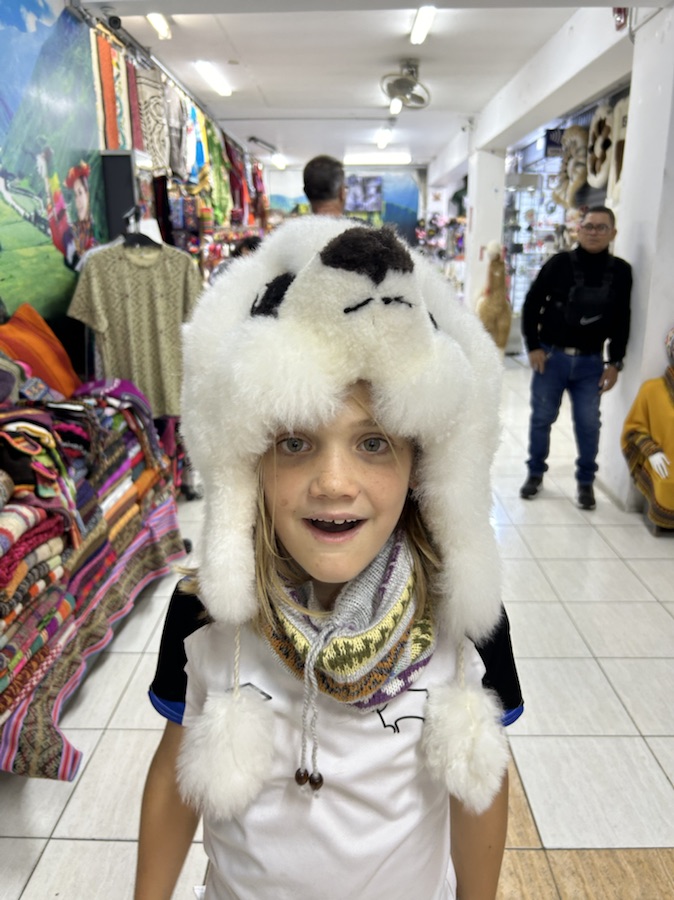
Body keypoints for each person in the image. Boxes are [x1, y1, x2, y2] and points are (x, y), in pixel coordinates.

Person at [135, 218, 523, 900]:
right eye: (294, 442)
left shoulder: (464, 620)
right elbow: (175, 773)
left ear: (422, 463)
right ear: (248, 458)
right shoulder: (205, 614)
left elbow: (479, 789)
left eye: (373, 443)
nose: (334, 483)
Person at [520, 205, 632, 510]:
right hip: (551, 357)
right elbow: (532, 303)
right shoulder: (558, 264)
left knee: (588, 424)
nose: (594, 232)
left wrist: (615, 362)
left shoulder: (621, 272)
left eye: (601, 227)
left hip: (591, 363)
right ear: (578, 230)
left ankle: (585, 482)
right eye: (589, 226)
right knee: (542, 418)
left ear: (613, 233)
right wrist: (533, 346)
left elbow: (623, 319)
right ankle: (535, 474)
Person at [621, 325, 674, 532]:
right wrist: (652, 452)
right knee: (667, 484)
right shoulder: (652, 389)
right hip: (666, 461)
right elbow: (633, 430)